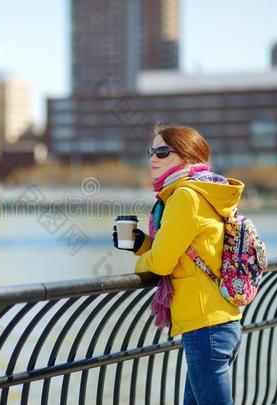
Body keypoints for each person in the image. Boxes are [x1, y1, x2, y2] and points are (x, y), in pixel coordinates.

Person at [112, 125, 244, 405]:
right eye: (151, 151)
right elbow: (189, 250)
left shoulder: (185, 197)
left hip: (204, 327)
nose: (153, 158)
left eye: (162, 151)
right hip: (221, 321)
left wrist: (140, 268)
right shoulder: (208, 191)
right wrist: (141, 244)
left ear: (187, 156)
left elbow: (160, 263)